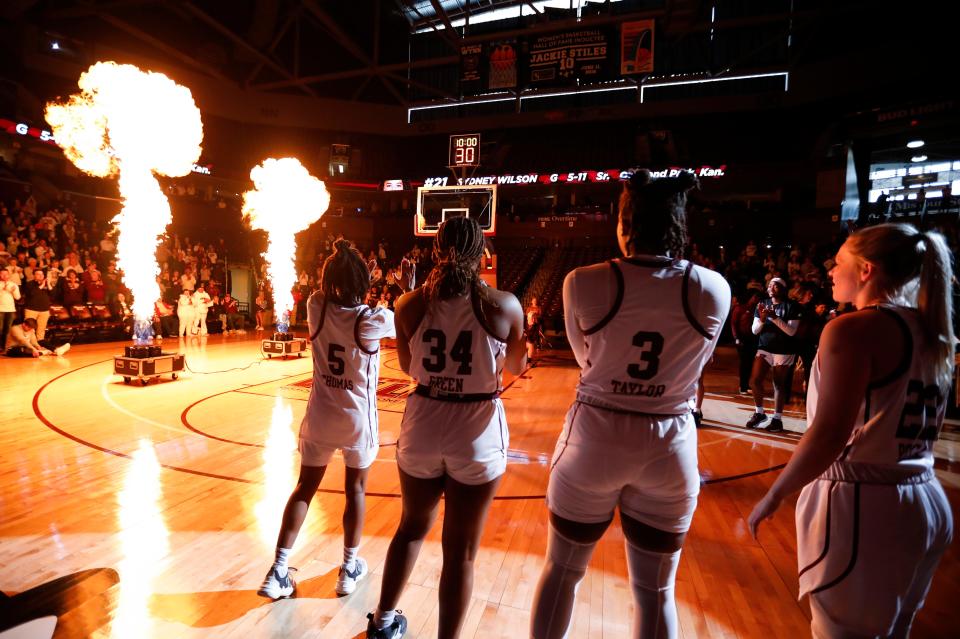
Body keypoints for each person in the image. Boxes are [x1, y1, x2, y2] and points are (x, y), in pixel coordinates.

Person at [530, 170, 730, 639]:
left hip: (595, 437)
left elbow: (586, 360)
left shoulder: (583, 281)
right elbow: (698, 364)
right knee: (657, 593)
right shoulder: (714, 288)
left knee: (562, 571)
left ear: (624, 223)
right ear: (680, 223)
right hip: (669, 444)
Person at [749, 223, 954, 638]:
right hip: (924, 496)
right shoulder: (932, 328)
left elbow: (829, 434)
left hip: (866, 501)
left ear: (866, 270)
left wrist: (775, 494)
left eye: (839, 262)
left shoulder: (853, 329)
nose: (829, 272)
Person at [367, 218, 525, 639]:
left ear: (434, 250)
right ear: (482, 254)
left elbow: (404, 366)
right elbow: (516, 367)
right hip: (476, 429)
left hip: (423, 421)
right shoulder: (504, 304)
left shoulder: (407, 305)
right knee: (461, 555)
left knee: (410, 528)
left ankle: (382, 623)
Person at [258, 240, 395, 600]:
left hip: (320, 415)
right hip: (356, 421)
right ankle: (348, 568)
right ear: (364, 282)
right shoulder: (371, 321)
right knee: (356, 491)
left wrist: (335, 265)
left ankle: (278, 571)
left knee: (304, 489)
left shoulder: (316, 307)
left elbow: (324, 291)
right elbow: (400, 320)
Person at [744, 277, 801, 432]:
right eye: (769, 285)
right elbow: (755, 330)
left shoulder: (792, 306)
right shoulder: (762, 304)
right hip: (765, 347)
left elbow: (791, 331)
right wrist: (762, 319)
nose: (771, 288)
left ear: (783, 289)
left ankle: (777, 419)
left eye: (775, 286)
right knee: (754, 381)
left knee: (778, 384)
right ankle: (759, 413)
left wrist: (774, 318)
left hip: (784, 349)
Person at [22, 269, 53, 342]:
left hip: (44, 310)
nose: (41, 276)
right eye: (38, 274)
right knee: (28, 328)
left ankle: (40, 344)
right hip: (31, 309)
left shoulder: (47, 285)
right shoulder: (29, 284)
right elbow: (33, 294)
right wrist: (42, 285)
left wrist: (48, 284)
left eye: (42, 274)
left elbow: (53, 295)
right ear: (34, 275)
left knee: (41, 330)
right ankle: (27, 344)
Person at [0, 266, 20, 352]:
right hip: (0, 310)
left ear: (9, 275)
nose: (4, 276)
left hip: (10, 310)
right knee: (0, 329)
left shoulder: (13, 284)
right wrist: (2, 290)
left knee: (7, 330)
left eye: (6, 274)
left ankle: (4, 347)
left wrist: (13, 291)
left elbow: (18, 297)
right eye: (2, 274)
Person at [525, 296, 543, 362]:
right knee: (527, 341)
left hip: (535, 324)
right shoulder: (529, 308)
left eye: (535, 300)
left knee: (531, 341)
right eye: (533, 300)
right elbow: (527, 315)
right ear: (531, 301)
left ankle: (537, 345)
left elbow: (540, 316)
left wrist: (535, 316)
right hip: (529, 325)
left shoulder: (539, 308)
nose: (534, 301)